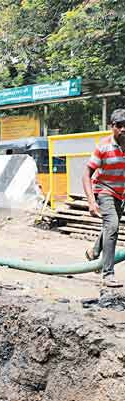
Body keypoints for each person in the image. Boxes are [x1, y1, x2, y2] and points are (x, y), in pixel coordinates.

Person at [83, 109, 125, 288]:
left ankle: (93, 251)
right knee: (113, 225)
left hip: (120, 194)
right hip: (104, 190)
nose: (123, 129)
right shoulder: (103, 146)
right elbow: (86, 174)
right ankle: (108, 273)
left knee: (109, 226)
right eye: (119, 125)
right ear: (112, 127)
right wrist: (91, 201)